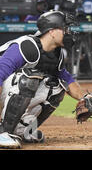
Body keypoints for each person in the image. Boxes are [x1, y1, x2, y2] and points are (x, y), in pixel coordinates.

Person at [0, 11, 84, 148]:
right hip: (3, 86)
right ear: (52, 32)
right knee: (29, 79)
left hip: (9, 90)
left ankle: (24, 130)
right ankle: (3, 132)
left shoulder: (56, 54)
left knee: (56, 87)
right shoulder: (26, 46)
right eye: (65, 29)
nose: (69, 33)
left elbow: (67, 80)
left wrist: (85, 97)